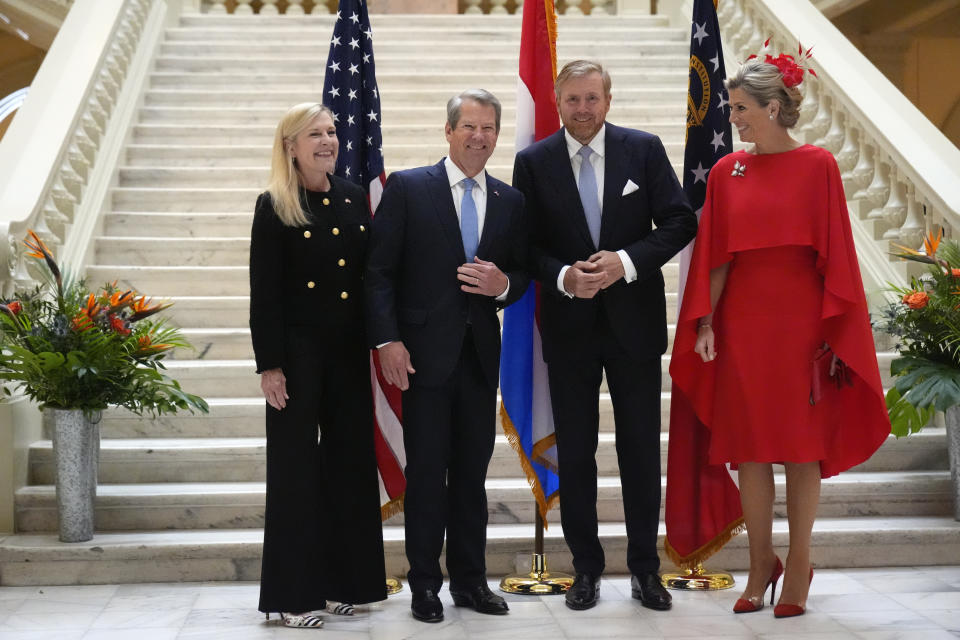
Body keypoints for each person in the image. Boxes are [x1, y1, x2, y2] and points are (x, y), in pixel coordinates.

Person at [669, 56, 890, 618]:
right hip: (742, 325)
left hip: (800, 327)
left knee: (800, 447)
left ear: (772, 108)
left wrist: (832, 330)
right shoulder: (725, 172)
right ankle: (759, 560)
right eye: (731, 109)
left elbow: (836, 253)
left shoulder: (819, 165)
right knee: (749, 450)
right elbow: (716, 259)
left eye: (740, 109)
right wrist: (704, 322)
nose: (733, 118)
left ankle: (799, 561)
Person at [513, 60, 697, 611]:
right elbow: (523, 247)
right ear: (558, 100)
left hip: (634, 328)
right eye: (572, 99)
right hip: (568, 331)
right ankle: (586, 570)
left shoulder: (643, 149)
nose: (583, 109)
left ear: (608, 100)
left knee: (640, 449)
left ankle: (646, 569)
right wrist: (564, 277)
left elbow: (680, 220)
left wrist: (625, 262)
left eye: (592, 98)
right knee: (577, 452)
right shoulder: (533, 161)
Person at [365, 89, 528, 623]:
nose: (479, 137)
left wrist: (504, 285)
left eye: (489, 129)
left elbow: (522, 275)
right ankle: (424, 586)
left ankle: (471, 582)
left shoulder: (510, 200)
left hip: (479, 361)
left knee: (471, 479)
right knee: (428, 475)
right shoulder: (411, 188)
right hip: (421, 360)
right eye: (469, 127)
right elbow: (380, 272)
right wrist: (387, 340)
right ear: (449, 130)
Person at [250, 102, 387, 629]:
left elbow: (369, 279)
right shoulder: (275, 204)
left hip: (349, 352)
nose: (327, 141)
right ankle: (291, 594)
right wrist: (271, 365)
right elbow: (265, 295)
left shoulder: (353, 197)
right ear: (291, 146)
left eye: (331, 132)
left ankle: (343, 584)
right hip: (298, 357)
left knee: (350, 467)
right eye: (315, 134)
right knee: (295, 472)